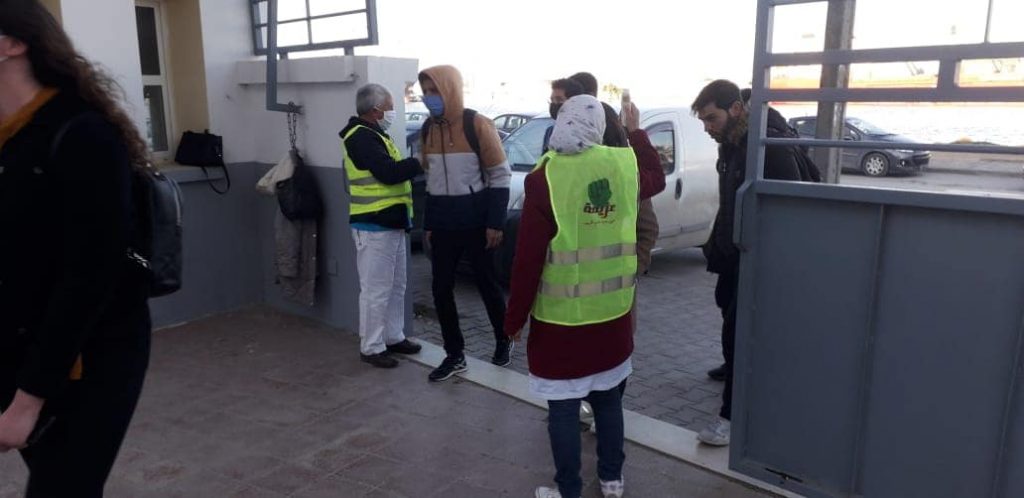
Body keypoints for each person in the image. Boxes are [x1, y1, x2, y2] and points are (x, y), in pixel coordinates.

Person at [0, 1, 154, 495]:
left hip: (90, 359)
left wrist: (27, 401)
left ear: (12, 44)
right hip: (19, 345)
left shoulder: (81, 133)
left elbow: (89, 278)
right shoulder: (9, 138)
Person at [505, 95, 666, 498]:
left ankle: (569, 490)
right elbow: (656, 176)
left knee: (563, 408)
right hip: (613, 317)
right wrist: (636, 131)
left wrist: (514, 319)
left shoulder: (544, 178)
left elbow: (527, 260)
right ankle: (612, 480)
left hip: (561, 323)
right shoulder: (622, 165)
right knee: (608, 402)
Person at [691, 79, 802, 446]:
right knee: (728, 317)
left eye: (712, 118)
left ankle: (730, 417)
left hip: (759, 259)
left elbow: (790, 208)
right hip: (733, 256)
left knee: (739, 333)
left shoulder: (767, 147)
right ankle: (736, 377)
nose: (707, 127)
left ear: (736, 109)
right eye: (703, 121)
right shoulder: (731, 145)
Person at [418, 65, 513, 381]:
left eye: (435, 90)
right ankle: (454, 354)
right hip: (443, 225)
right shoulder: (428, 130)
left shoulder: (477, 124)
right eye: (425, 91)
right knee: (441, 289)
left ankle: (504, 338)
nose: (429, 97)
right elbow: (431, 180)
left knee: (487, 284)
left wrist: (495, 223)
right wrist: (429, 223)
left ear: (451, 89)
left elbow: (500, 175)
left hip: (476, 223)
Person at [340, 83, 424, 369]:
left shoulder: (376, 134)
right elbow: (388, 173)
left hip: (391, 223)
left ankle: (393, 336)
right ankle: (372, 347)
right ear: (376, 110)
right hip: (373, 224)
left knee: (396, 285)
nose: (392, 112)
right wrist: (419, 162)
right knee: (376, 290)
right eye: (389, 107)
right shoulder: (360, 137)